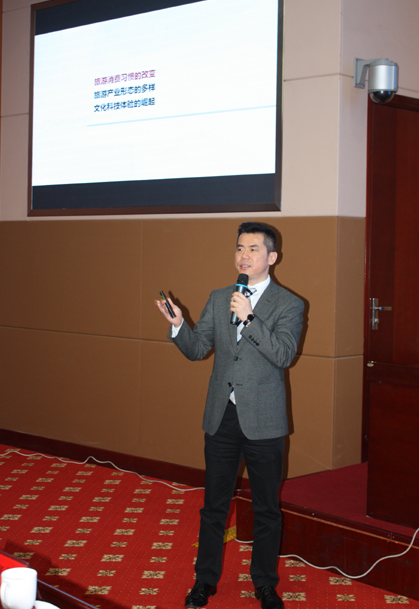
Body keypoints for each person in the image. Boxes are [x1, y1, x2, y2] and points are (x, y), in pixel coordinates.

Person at [155, 222, 304, 609]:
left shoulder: (289, 304)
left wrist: (250, 318)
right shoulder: (221, 297)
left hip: (264, 421)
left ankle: (265, 584)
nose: (244, 255)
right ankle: (204, 581)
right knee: (214, 506)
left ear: (272, 257)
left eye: (253, 249)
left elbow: (283, 355)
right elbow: (198, 348)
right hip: (222, 416)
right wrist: (178, 326)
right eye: (239, 248)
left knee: (266, 508)